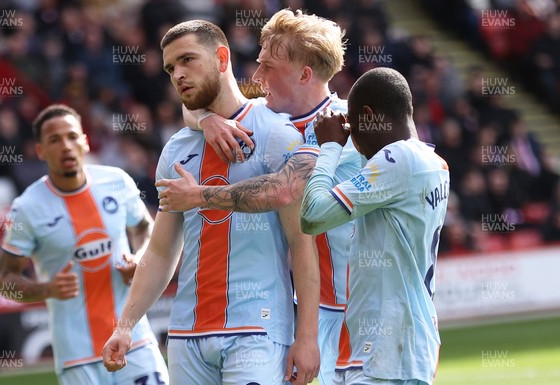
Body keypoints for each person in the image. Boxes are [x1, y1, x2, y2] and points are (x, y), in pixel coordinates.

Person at [101, 20, 320, 385]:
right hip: (187, 336)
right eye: (171, 68)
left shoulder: (276, 134)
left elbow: (302, 242)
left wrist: (307, 337)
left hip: (258, 328)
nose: (178, 75)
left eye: (188, 60)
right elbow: (160, 250)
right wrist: (125, 325)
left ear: (222, 58)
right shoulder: (176, 149)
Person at [156, 9, 360, 385]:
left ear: (304, 74)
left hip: (362, 307)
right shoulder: (269, 120)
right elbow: (203, 103)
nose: (258, 78)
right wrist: (206, 119)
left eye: (269, 68)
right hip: (313, 309)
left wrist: (199, 195)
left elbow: (281, 190)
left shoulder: (349, 124)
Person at [0, 104, 169, 385]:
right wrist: (46, 289)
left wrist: (140, 258)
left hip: (132, 339)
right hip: (77, 357)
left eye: (72, 136)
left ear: (85, 140)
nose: (65, 146)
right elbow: (5, 280)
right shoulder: (27, 208)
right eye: (54, 139)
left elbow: (144, 228)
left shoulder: (117, 181)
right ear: (40, 150)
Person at [301, 67, 449, 385]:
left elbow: (312, 215)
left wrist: (328, 147)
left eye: (353, 128)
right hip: (404, 343)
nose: (352, 141)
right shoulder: (434, 163)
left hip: (389, 351)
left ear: (368, 116)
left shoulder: (398, 160)